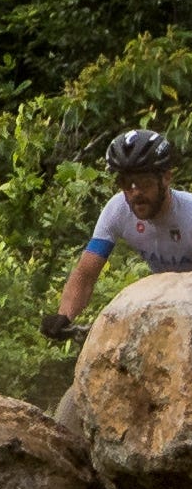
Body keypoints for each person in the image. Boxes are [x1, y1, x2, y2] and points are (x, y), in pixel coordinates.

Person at [42, 128, 192, 340]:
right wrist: (64, 316)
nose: (136, 193)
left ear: (166, 178)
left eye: (145, 183)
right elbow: (86, 274)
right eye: (127, 184)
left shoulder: (189, 213)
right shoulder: (118, 210)